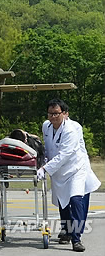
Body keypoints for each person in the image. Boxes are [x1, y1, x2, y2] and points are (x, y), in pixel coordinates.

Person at [38, 98, 101, 252]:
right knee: (63, 202)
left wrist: (45, 169)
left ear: (65, 114)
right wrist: (42, 162)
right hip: (58, 171)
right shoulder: (46, 127)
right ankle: (66, 230)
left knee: (76, 199)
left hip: (76, 169)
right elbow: (48, 148)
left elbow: (65, 154)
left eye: (56, 114)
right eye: (50, 113)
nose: (53, 117)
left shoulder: (71, 129)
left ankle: (76, 238)